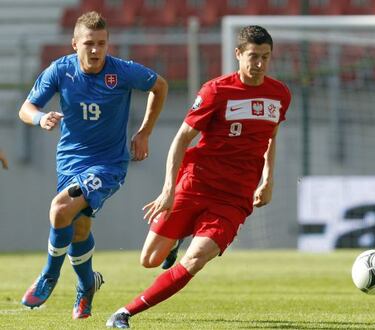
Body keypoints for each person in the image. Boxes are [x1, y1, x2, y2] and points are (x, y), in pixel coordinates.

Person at [106, 25, 291, 328]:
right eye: (253, 56)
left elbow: (271, 136)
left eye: (265, 57)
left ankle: (124, 313)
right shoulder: (215, 91)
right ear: (238, 54)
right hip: (196, 182)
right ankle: (177, 237)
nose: (258, 64)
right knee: (150, 260)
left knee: (195, 260)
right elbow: (181, 139)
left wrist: (268, 180)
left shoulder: (280, 94)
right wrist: (169, 190)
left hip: (233, 198)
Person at [18, 11, 168, 320]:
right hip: (70, 162)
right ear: (75, 44)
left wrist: (145, 132)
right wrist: (40, 117)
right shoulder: (60, 71)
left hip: (109, 165)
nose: (96, 50)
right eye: (89, 43)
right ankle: (87, 285)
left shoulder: (122, 71)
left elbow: (160, 86)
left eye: (102, 43)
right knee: (78, 228)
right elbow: (26, 108)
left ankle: (49, 275)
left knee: (60, 209)